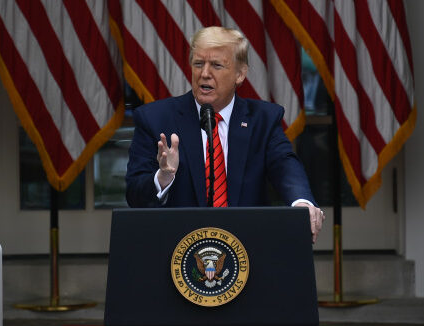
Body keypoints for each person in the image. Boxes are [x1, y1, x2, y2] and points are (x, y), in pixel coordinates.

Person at [125, 26, 325, 242]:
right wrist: (163, 177)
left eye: (217, 65)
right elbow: (135, 196)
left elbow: (285, 166)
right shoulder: (156, 119)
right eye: (198, 64)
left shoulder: (263, 119)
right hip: (177, 250)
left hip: (246, 249)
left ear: (240, 74)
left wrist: (301, 203)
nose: (205, 73)